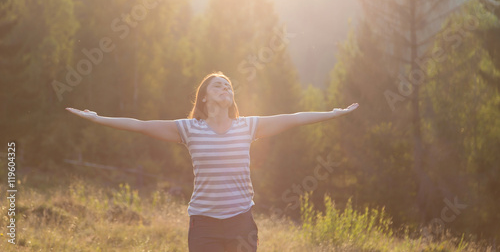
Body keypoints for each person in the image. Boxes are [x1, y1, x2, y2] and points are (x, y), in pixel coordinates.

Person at [66, 71, 359, 252]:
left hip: (241, 221)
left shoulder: (248, 126)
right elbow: (141, 124)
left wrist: (331, 113)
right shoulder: (189, 129)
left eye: (228, 86)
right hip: (204, 224)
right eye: (218, 86)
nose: (225, 89)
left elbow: (293, 119)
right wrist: (97, 118)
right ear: (204, 98)